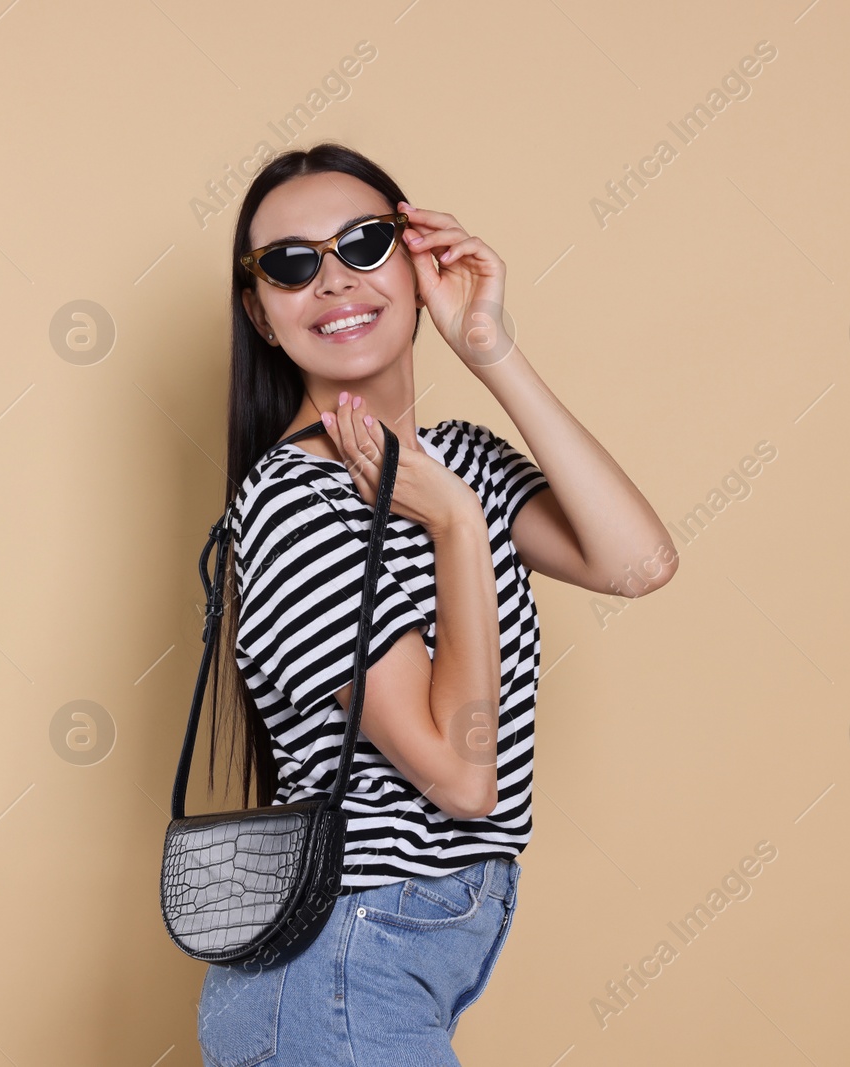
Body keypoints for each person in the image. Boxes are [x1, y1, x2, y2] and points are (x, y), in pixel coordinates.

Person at [195, 142, 677, 1066]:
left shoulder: (462, 458)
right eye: (293, 265)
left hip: (392, 960)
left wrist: (492, 351)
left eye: (366, 244)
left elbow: (640, 562)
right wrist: (454, 525)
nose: (334, 281)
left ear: (419, 263)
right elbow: (459, 780)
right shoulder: (298, 503)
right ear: (260, 312)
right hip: (337, 964)